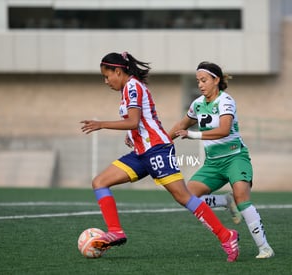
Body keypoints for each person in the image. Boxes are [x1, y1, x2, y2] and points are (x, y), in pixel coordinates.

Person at [80, 52, 239, 262]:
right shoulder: (128, 89)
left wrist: (102, 124)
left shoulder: (133, 86)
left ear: (118, 71)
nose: (106, 81)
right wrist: (131, 137)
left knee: (183, 197)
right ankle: (116, 231)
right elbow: (139, 122)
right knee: (100, 182)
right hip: (141, 153)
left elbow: (133, 121)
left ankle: (226, 235)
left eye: (107, 76)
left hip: (157, 149)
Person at [169, 61, 274, 259]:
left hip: (235, 157)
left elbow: (224, 129)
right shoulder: (198, 104)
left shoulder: (226, 101)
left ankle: (265, 247)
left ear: (216, 80)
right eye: (198, 81)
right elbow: (180, 125)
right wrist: (159, 143)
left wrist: (193, 135)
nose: (200, 84)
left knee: (242, 197)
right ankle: (224, 201)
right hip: (213, 163)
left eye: (204, 80)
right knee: (187, 195)